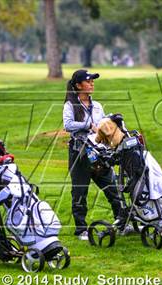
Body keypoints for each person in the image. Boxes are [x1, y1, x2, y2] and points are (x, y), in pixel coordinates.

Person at [62, 69, 128, 240]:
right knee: (79, 192)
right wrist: (88, 125)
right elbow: (68, 125)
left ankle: (122, 223)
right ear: (78, 85)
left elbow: (102, 124)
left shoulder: (97, 105)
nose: (92, 83)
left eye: (92, 81)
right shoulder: (70, 105)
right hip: (79, 155)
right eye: (88, 81)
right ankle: (81, 230)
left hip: (99, 154)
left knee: (112, 188)